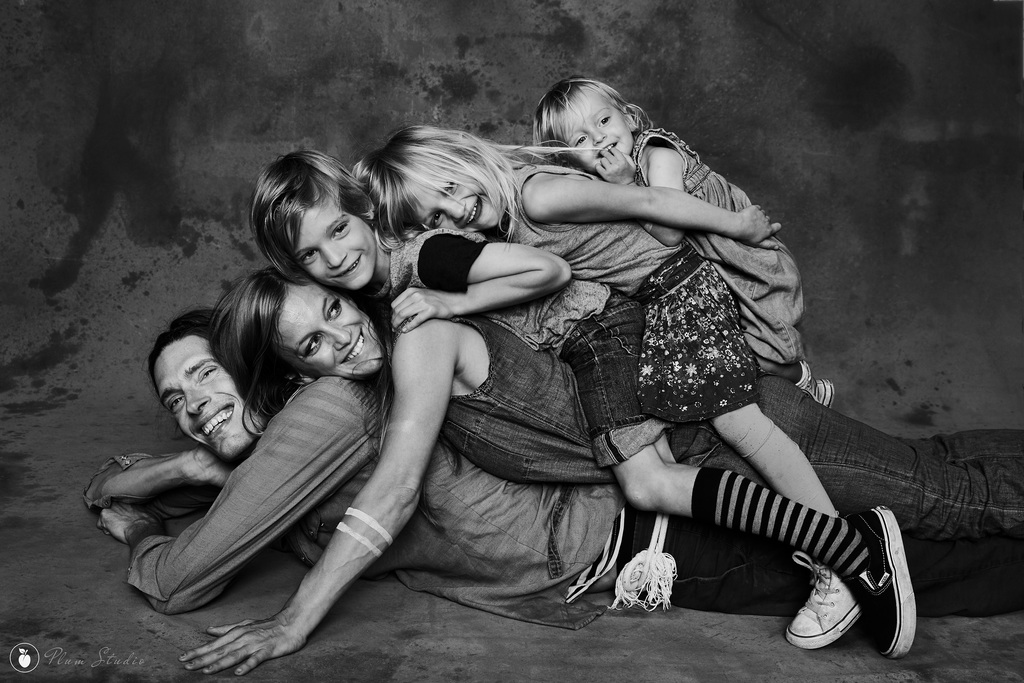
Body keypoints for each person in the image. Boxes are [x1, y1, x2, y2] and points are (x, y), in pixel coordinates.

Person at [89, 309, 1024, 676]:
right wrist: (177, 470)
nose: (195, 407)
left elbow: (177, 578)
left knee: (933, 540)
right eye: (177, 403)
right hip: (646, 485)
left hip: (641, 529)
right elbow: (114, 484)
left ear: (258, 368)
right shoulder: (291, 437)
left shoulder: (319, 410)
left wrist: (163, 499)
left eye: (206, 377)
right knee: (934, 484)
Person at [254, 146, 857, 645]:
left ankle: (841, 548)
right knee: (663, 475)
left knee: (651, 483)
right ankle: (816, 491)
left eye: (339, 230)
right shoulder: (393, 286)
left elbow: (549, 271)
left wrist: (449, 301)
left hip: (596, 331)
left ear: (363, 211)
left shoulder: (428, 259)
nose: (335, 258)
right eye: (311, 255)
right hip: (591, 337)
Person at [532, 75, 831, 405]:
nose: (599, 137)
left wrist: (627, 186)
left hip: (744, 259)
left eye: (603, 120)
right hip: (713, 269)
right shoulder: (602, 183)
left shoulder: (657, 157)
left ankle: (805, 382)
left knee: (764, 353)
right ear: (568, 160)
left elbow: (670, 233)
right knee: (729, 354)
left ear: (629, 118)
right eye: (581, 139)